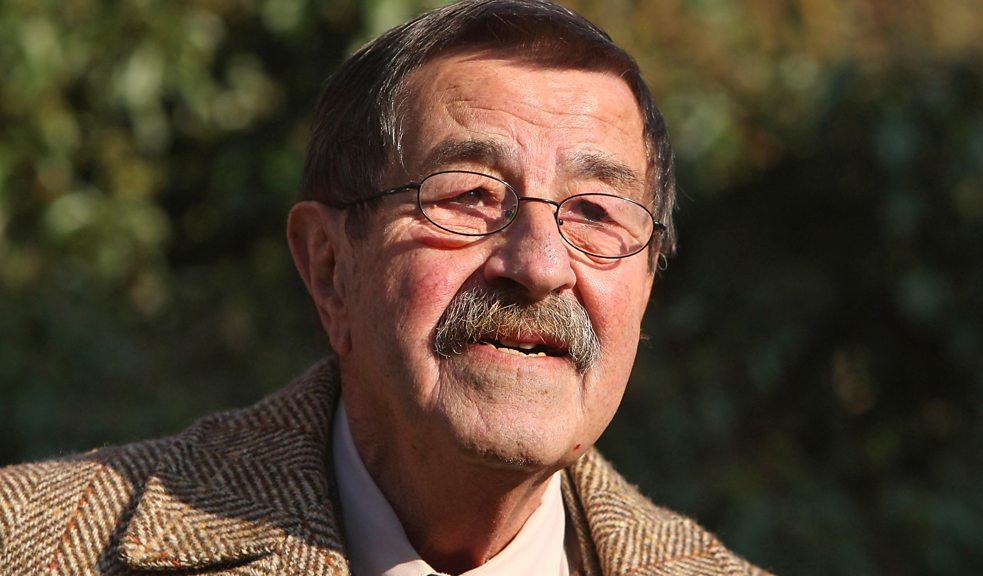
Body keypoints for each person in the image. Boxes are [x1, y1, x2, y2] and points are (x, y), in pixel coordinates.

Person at [0, 1, 772, 574]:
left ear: (648, 281)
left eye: (597, 212)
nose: (540, 266)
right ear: (329, 268)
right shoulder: (33, 546)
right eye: (470, 196)